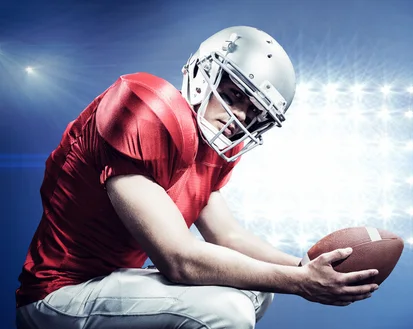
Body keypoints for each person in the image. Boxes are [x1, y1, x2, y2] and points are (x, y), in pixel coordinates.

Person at [15, 26, 379, 329]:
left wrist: (305, 269)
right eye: (233, 95)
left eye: (252, 113)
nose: (236, 116)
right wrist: (301, 284)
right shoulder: (145, 112)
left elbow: (227, 236)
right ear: (204, 77)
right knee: (226, 311)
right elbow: (178, 258)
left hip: (110, 281)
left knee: (257, 288)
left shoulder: (213, 148)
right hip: (60, 293)